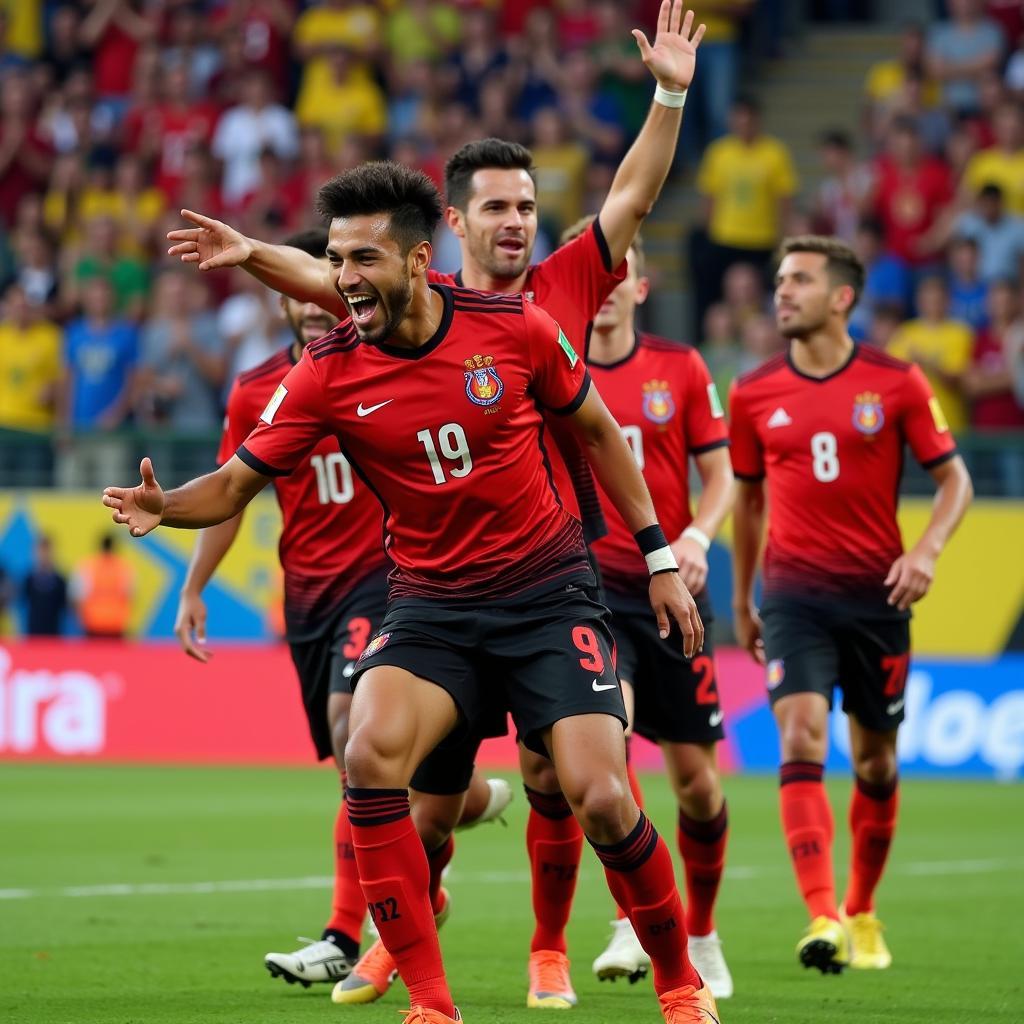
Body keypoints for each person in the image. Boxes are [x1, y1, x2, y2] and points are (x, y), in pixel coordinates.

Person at [166, 2, 705, 1010]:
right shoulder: (386, 301)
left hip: (561, 572)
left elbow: (632, 189)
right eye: (493, 206)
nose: (513, 221)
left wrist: (670, 92)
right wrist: (250, 253)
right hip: (435, 588)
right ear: (445, 229)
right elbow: (330, 277)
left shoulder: (555, 295)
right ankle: (403, 957)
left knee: (579, 786)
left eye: (524, 206)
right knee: (402, 781)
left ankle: (560, 950)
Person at [172, 228, 510, 989]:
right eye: (310, 289)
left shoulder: (380, 357)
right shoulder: (260, 391)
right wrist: (195, 585)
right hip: (310, 594)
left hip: (385, 578)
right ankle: (455, 824)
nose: (322, 304)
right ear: (289, 298)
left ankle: (341, 930)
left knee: (349, 725)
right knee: (362, 766)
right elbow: (234, 490)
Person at [729, 235, 973, 975]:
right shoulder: (752, 391)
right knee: (801, 735)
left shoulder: (897, 382)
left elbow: (954, 481)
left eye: (799, 280)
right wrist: (743, 600)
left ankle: (864, 908)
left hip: (877, 599)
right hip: (794, 596)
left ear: (842, 298)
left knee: (874, 762)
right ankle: (823, 912)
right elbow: (747, 504)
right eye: (779, 280)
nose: (782, 292)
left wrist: (925, 550)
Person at [576, 223, 735, 998]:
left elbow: (723, 472)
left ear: (639, 288)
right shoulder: (555, 367)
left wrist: (700, 536)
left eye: (620, 278)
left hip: (673, 594)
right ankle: (629, 921)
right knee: (612, 750)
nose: (605, 292)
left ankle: (701, 933)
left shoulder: (681, 366)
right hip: (591, 591)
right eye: (594, 279)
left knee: (698, 787)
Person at [72, 533, 134, 639]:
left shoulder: (88, 566)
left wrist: (82, 619)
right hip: (116, 624)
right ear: (114, 547)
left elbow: (77, 597)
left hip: (93, 624)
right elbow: (130, 594)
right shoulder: (123, 568)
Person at [22, 535, 67, 636]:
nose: (44, 555)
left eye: (46, 551)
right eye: (41, 551)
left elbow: (63, 605)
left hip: (53, 632)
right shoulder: (29, 579)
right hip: (34, 632)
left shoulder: (60, 580)